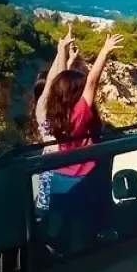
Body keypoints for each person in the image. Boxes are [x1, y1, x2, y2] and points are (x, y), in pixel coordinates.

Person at [44, 33, 123, 250]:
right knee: (80, 232)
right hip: (83, 176)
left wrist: (66, 54)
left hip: (60, 176)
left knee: (59, 227)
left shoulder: (53, 113)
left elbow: (56, 82)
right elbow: (92, 81)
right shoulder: (80, 114)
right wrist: (105, 51)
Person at [30, 25, 82, 216]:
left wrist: (68, 58)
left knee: (50, 210)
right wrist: (62, 50)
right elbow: (56, 80)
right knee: (54, 211)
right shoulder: (46, 108)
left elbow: (60, 80)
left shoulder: (49, 110)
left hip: (54, 166)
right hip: (59, 167)